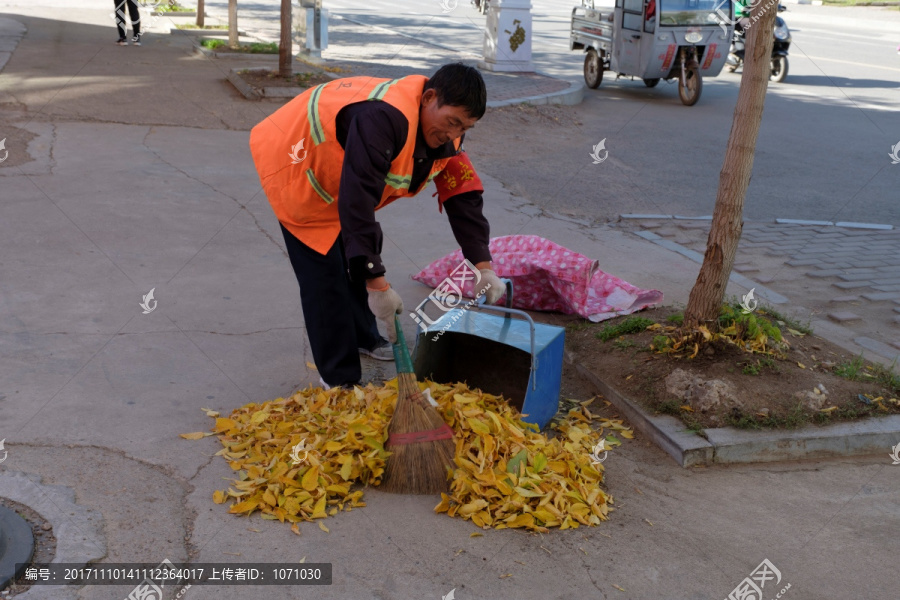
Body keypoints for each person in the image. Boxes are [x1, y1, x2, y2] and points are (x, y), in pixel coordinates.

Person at [249, 63, 504, 389]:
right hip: (298, 166)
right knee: (324, 277)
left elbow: (463, 197)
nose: (453, 135)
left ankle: (363, 336)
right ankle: (339, 378)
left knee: (359, 248)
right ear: (429, 98)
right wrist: (378, 285)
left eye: (464, 128)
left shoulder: (448, 136)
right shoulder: (381, 120)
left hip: (343, 175)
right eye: (452, 123)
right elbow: (356, 204)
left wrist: (484, 266)